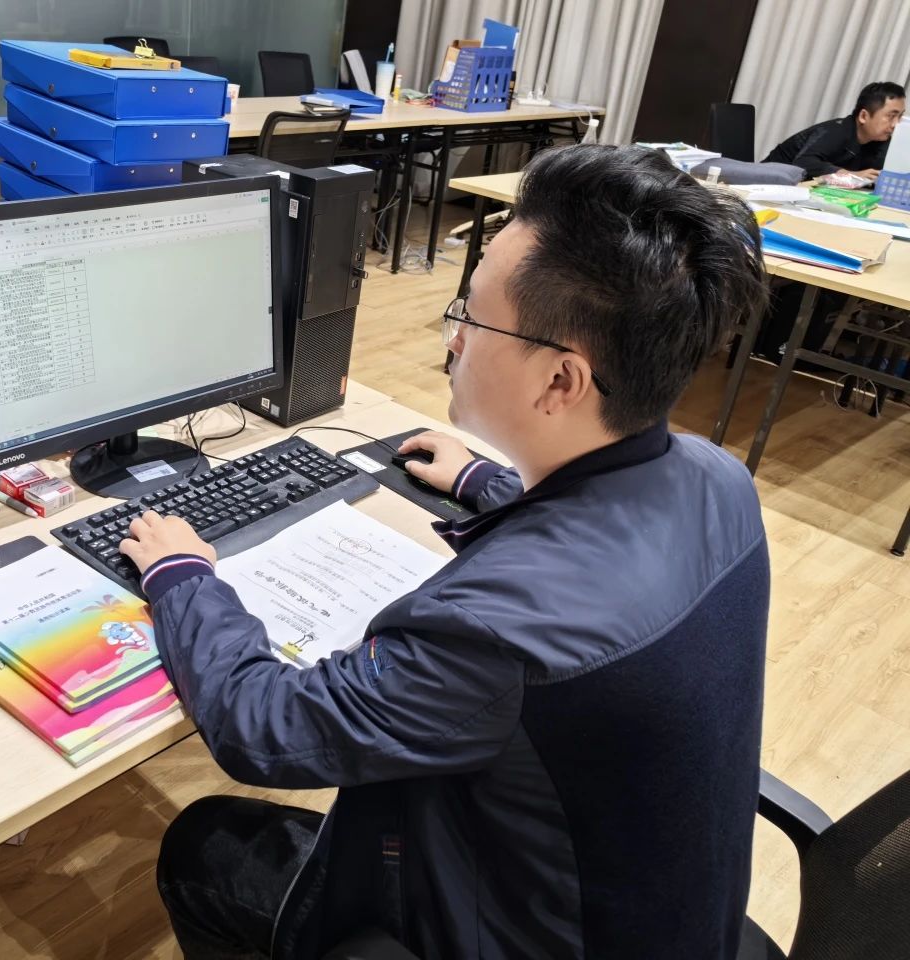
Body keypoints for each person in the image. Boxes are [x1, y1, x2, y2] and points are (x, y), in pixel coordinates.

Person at [118, 144, 772, 959]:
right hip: (655, 917)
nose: (453, 337)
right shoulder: (719, 480)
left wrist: (182, 576)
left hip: (532, 937)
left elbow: (262, 726)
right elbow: (609, 536)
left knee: (206, 846)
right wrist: (489, 482)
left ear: (561, 382)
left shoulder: (496, 633)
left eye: (473, 315)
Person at [763, 81, 906, 179]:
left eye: (899, 116)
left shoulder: (881, 140)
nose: (895, 124)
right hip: (767, 182)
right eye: (891, 116)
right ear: (863, 116)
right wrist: (850, 175)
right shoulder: (836, 131)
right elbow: (804, 163)